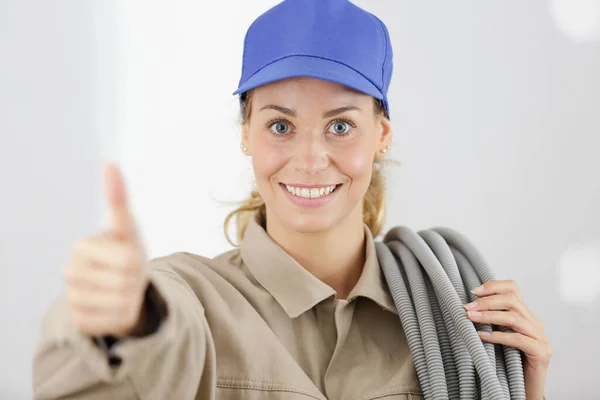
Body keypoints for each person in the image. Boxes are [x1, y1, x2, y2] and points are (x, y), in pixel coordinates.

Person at [32, 0, 551, 399]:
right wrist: (124, 326)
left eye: (341, 125)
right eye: (280, 124)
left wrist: (520, 389)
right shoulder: (187, 301)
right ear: (246, 134)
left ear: (382, 135)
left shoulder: (452, 323)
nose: (309, 158)